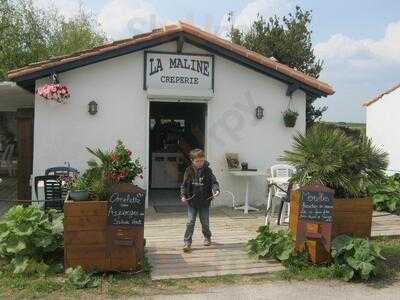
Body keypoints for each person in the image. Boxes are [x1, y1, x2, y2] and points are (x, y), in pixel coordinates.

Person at [180, 148, 220, 252]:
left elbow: (214, 182)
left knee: (205, 221)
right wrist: (183, 195)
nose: (200, 163)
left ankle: (207, 237)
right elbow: (183, 185)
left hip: (204, 202)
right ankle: (187, 242)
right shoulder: (188, 170)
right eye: (197, 161)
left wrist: (216, 190)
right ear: (192, 161)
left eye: (202, 160)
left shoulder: (208, 170)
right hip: (192, 202)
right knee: (190, 222)